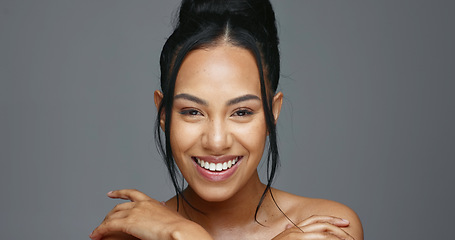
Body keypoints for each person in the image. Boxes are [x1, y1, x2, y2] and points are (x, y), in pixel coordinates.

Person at [90, 0, 363, 239]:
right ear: (163, 113)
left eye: (241, 112)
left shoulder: (325, 227)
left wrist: (187, 235)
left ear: (273, 113)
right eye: (192, 112)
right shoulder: (131, 236)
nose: (217, 141)